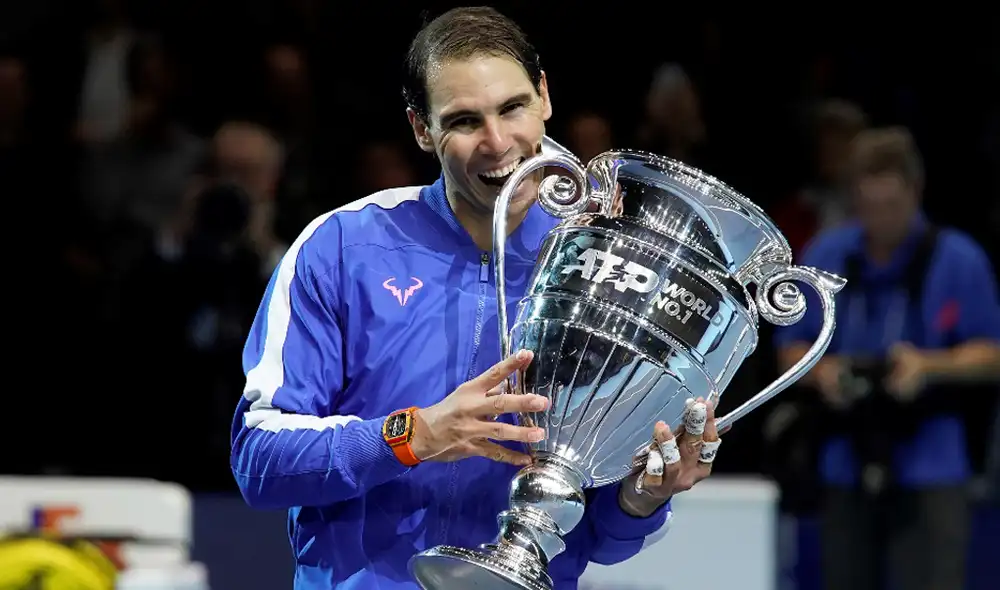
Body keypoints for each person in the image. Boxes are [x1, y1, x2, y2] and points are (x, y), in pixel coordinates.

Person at [230, 7, 724, 590]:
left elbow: (598, 538)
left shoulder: (609, 265)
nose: (497, 142)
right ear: (421, 129)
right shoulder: (342, 246)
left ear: (543, 96)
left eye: (512, 108)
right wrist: (413, 436)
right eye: (464, 120)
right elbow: (260, 461)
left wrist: (644, 496)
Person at [774, 127, 1000, 590]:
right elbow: (789, 351)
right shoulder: (828, 252)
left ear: (916, 192)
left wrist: (929, 366)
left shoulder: (959, 259)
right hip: (843, 456)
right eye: (868, 207)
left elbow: (992, 354)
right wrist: (825, 372)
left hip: (931, 459)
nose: (880, 219)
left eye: (891, 206)